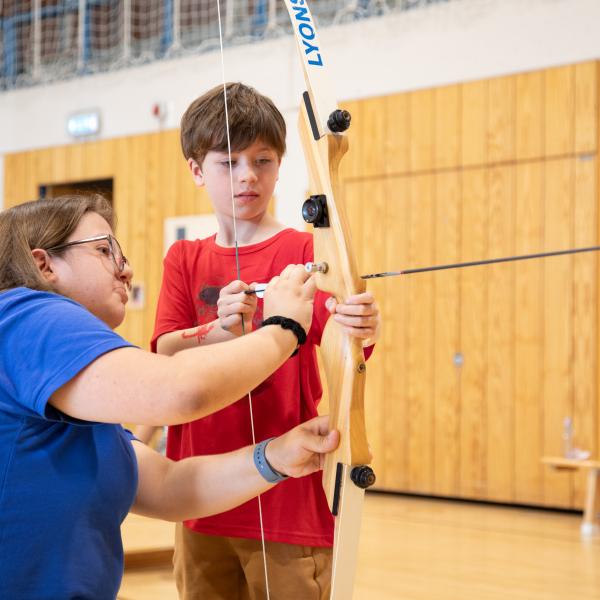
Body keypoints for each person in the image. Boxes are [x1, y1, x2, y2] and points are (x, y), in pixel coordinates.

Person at [0, 194, 340, 600]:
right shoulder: (22, 314)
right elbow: (181, 391)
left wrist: (277, 456)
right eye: (105, 251)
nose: (125, 271)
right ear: (43, 264)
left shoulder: (77, 394)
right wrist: (284, 327)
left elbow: (169, 486)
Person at [145, 82, 381, 599]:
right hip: (199, 497)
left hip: (286, 502)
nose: (247, 176)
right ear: (195, 169)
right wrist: (220, 331)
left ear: (280, 164)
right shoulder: (183, 259)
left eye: (263, 160)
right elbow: (164, 352)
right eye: (228, 162)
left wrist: (360, 325)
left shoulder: (305, 250)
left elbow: (346, 348)